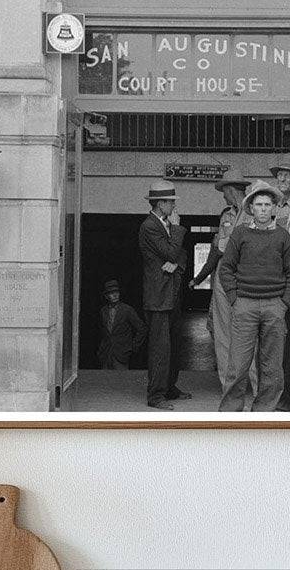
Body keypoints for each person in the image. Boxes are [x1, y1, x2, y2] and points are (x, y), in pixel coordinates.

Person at [217, 179, 290, 412]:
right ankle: (230, 415)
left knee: (272, 367)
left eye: (267, 205)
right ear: (251, 208)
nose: (263, 209)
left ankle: (263, 413)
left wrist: (283, 303)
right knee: (238, 365)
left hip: (274, 307)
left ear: (274, 208)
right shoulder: (240, 234)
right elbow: (226, 269)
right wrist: (235, 298)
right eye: (259, 204)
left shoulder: (282, 237)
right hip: (245, 306)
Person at [188, 172, 251, 391]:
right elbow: (216, 250)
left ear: (231, 189)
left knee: (249, 333)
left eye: (223, 191)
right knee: (222, 335)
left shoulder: (253, 212)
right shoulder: (226, 214)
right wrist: (200, 277)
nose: (223, 196)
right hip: (223, 281)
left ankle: (254, 385)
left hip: (245, 280)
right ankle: (229, 386)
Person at [138, 179, 190, 410]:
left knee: (174, 345)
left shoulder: (164, 224)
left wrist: (176, 264)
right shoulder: (149, 226)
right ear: (159, 204)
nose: (174, 207)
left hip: (171, 294)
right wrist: (177, 230)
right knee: (160, 349)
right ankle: (155, 395)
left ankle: (169, 387)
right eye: (170, 202)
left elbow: (182, 254)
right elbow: (170, 251)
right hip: (158, 297)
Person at [271, 156, 290, 410]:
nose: (281, 178)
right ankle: (283, 397)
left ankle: (289, 399)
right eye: (279, 174)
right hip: (278, 281)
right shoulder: (276, 207)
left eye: (287, 174)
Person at [96, 278, 146, 371]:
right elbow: (103, 332)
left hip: (122, 354)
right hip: (106, 354)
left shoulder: (127, 310)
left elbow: (142, 329)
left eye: (116, 292)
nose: (115, 295)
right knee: (104, 382)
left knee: (121, 381)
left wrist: (133, 347)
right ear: (106, 296)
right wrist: (101, 349)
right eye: (111, 293)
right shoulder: (103, 311)